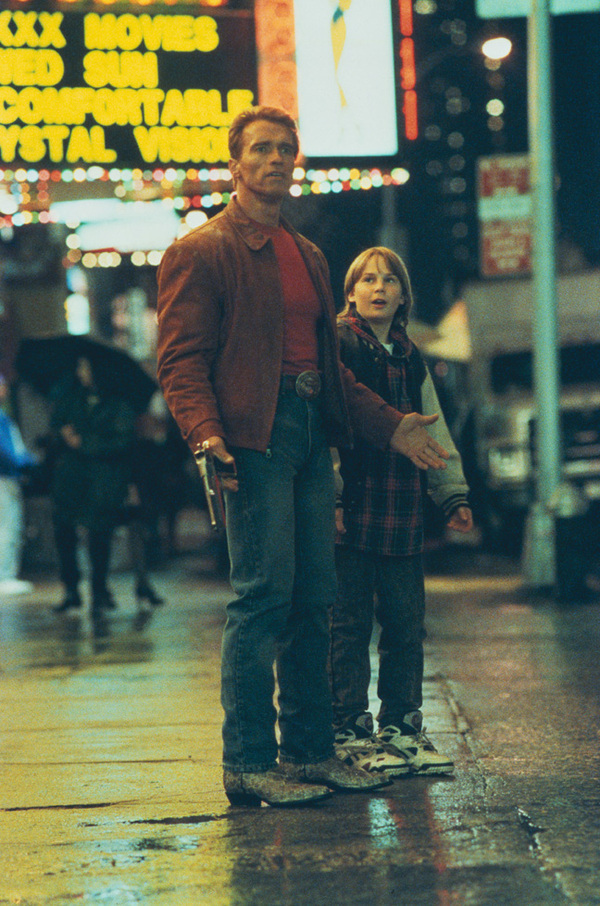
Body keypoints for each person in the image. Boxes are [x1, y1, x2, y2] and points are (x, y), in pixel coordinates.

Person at [156, 105, 450, 808]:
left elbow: (333, 371)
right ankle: (248, 762)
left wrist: (391, 427)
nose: (276, 159)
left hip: (314, 430)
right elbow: (180, 360)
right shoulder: (203, 250)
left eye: (286, 148)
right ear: (235, 164)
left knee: (318, 598)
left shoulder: (309, 254)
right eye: (261, 148)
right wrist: (206, 434)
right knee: (263, 597)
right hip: (253, 434)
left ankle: (311, 752)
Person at [329, 247, 473, 778]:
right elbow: (329, 425)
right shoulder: (340, 344)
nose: (378, 288)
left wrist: (451, 493)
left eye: (389, 280)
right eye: (367, 279)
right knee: (347, 626)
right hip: (353, 505)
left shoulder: (411, 356)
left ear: (403, 296)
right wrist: (332, 497)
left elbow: (434, 428)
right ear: (350, 293)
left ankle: (402, 729)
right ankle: (348, 731)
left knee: (406, 625)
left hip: (402, 506)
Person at [49, 357, 136, 616]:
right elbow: (56, 429)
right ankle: (71, 589)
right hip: (71, 480)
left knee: (99, 536)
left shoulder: (117, 404)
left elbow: (122, 442)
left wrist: (83, 443)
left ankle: (99, 590)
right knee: (64, 532)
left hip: (102, 481)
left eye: (85, 367)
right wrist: (62, 434)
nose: (80, 372)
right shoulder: (71, 399)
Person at [0, 373, 35, 595]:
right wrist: (26, 463)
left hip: (7, 476)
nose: (5, 389)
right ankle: (4, 576)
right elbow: (6, 451)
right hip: (4, 478)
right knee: (7, 525)